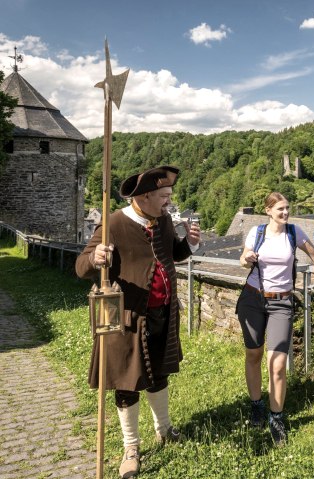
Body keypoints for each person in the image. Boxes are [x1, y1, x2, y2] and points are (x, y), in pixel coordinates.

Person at [76, 165, 200, 478]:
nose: (169, 202)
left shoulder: (164, 220)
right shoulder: (114, 223)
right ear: (144, 196)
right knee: (127, 383)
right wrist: (95, 258)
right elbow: (81, 267)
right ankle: (131, 446)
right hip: (126, 317)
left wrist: (191, 243)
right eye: (164, 196)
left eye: (170, 196)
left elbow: (172, 254)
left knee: (159, 374)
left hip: (162, 313)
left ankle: (164, 428)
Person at [237, 192, 314, 445]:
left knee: (278, 364)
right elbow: (243, 258)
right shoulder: (256, 232)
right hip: (253, 298)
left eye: (287, 208)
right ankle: (257, 404)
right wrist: (246, 258)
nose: (285, 212)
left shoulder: (294, 232)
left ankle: (277, 417)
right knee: (253, 354)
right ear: (268, 210)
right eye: (280, 209)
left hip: (282, 302)